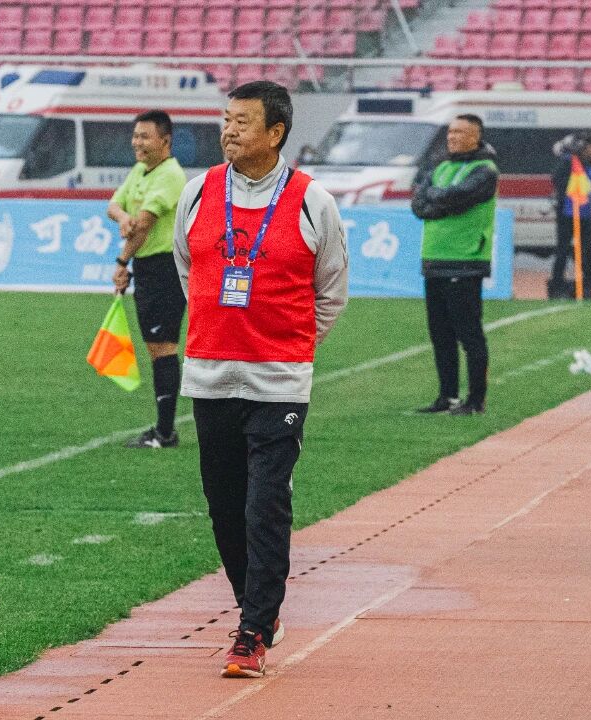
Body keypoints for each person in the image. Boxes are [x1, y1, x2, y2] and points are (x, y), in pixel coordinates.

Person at [172, 81, 348, 678]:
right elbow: (190, 272)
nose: (229, 130)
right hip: (211, 375)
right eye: (226, 119)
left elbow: (331, 292)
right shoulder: (198, 192)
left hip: (279, 383)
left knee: (264, 505)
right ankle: (258, 610)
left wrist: (289, 348)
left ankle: (252, 631)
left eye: (242, 121)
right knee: (225, 508)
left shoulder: (311, 201)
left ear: (276, 132)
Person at [108, 110, 188, 449]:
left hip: (166, 267)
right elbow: (114, 205)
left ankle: (165, 432)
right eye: (135, 135)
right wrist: (123, 218)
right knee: (157, 347)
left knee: (163, 346)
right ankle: (164, 429)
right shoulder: (140, 170)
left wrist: (121, 261)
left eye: (145, 136)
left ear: (165, 141)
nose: (137, 142)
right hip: (147, 267)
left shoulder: (170, 175)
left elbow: (145, 224)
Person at [410, 113, 499, 416]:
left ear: (476, 136)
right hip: (434, 259)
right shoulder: (441, 166)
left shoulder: (485, 170)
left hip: (466, 260)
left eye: (460, 132)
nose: (452, 137)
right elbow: (419, 204)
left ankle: (475, 400)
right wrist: (442, 201)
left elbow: (458, 196)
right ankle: (446, 396)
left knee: (469, 334)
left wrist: (438, 199)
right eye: (450, 132)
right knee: (440, 334)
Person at [548, 132, 591, 300]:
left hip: (586, 213)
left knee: (590, 249)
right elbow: (556, 179)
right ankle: (557, 284)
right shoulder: (570, 162)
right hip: (567, 213)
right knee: (563, 250)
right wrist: (569, 190)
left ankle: (588, 283)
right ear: (587, 147)